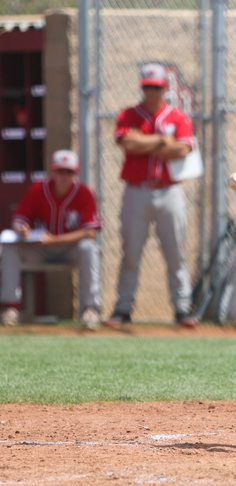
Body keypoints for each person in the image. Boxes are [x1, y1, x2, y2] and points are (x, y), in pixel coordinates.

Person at [104, 63, 196, 328]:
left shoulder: (178, 117)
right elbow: (127, 143)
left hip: (169, 191)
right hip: (137, 190)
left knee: (176, 254)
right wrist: (162, 142)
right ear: (141, 87)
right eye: (147, 87)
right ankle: (123, 308)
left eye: (156, 88)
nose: (151, 92)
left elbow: (182, 151)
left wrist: (145, 143)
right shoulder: (129, 115)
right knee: (130, 253)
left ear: (165, 88)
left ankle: (182, 309)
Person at [0, 150, 102, 330]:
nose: (63, 176)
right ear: (52, 172)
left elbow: (90, 232)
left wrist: (54, 240)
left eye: (68, 172)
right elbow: (19, 219)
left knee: (90, 248)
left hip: (69, 249)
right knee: (9, 247)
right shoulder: (37, 189)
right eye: (59, 171)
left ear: (75, 173)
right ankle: (11, 307)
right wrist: (22, 229)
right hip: (39, 248)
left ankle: (90, 308)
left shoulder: (84, 193)